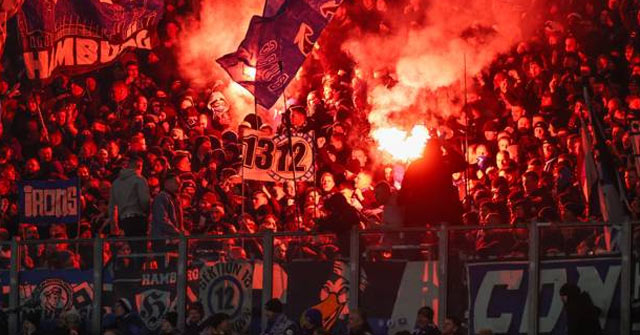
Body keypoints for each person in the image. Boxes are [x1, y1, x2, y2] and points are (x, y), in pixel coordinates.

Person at [398, 138, 465, 227]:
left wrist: (402, 201)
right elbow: (462, 164)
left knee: (415, 237)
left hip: (420, 210)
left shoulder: (416, 165)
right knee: (441, 237)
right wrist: (448, 147)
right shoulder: (443, 163)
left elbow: (405, 188)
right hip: (439, 210)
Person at [107, 155, 150, 244]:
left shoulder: (116, 183)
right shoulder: (139, 180)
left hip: (123, 220)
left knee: (128, 248)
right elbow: (144, 201)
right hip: (138, 219)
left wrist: (114, 224)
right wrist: (147, 212)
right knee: (139, 249)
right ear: (139, 166)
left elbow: (112, 206)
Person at [151, 172, 184, 241]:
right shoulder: (161, 198)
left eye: (179, 182)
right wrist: (177, 232)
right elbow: (162, 220)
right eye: (176, 182)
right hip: (164, 239)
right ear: (167, 183)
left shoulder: (175, 199)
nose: (179, 185)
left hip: (172, 239)